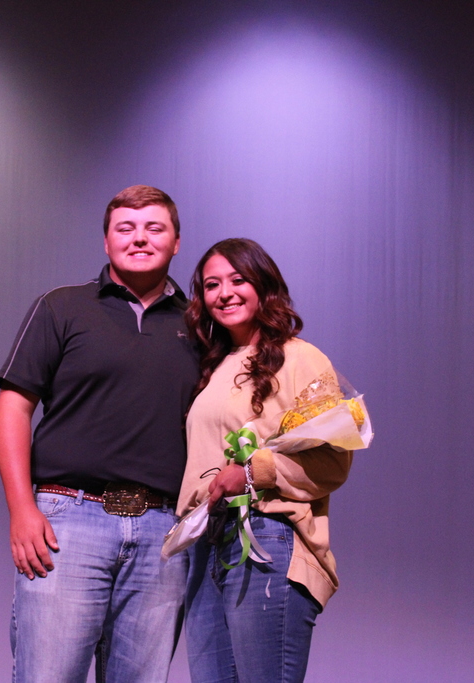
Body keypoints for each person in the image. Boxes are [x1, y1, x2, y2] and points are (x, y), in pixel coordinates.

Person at [0, 185, 199, 683]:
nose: (140, 238)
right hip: (68, 521)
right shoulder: (62, 307)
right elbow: (12, 410)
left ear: (175, 242)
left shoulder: (200, 323)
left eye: (155, 228)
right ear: (106, 243)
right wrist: (22, 509)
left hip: (162, 530)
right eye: (125, 228)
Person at [178, 238, 355, 683]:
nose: (225, 292)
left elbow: (334, 461)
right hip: (207, 543)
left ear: (264, 286)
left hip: (266, 538)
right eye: (212, 284)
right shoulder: (213, 366)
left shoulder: (301, 357)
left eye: (238, 280)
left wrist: (255, 470)